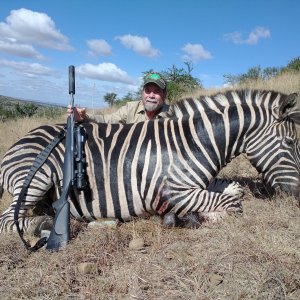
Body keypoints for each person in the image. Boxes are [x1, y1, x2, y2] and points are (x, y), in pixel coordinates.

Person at [68, 72, 170, 124]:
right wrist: (84, 118)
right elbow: (107, 120)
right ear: (142, 93)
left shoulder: (173, 114)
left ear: (164, 94)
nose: (151, 96)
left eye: (156, 91)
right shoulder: (130, 108)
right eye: (147, 91)